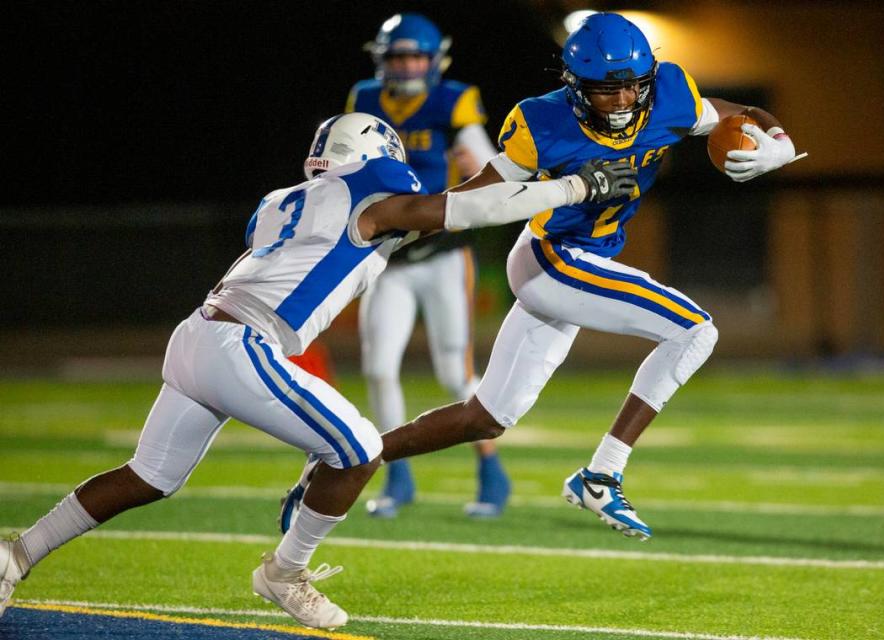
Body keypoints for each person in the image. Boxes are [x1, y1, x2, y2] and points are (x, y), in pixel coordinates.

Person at [0, 112, 637, 628]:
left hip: (196, 334)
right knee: (358, 449)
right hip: (241, 345)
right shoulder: (368, 194)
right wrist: (575, 188)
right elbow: (456, 213)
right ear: (373, 156)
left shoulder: (284, 200)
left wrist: (504, 181)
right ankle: (283, 572)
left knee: (148, 476)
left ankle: (16, 553)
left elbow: (414, 224)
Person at [364, 13, 803, 539]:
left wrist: (775, 140)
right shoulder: (543, 122)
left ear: (648, 80)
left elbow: (741, 111)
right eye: (604, 90)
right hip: (553, 255)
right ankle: (603, 473)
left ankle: (355, 454)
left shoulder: (669, 95)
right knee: (695, 329)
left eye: (630, 88)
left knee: (484, 419)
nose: (620, 101)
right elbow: (477, 194)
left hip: (580, 261)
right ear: (574, 85)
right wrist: (398, 228)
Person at [280, 13, 507, 527]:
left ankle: (491, 471)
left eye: (415, 56)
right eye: (398, 56)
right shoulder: (362, 99)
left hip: (446, 254)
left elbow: (483, 159)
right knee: (380, 367)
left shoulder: (453, 100)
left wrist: (481, 169)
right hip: (388, 257)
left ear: (434, 61)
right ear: (382, 59)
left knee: (454, 371)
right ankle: (394, 475)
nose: (406, 66)